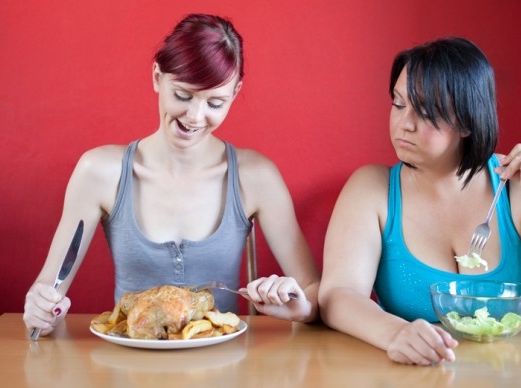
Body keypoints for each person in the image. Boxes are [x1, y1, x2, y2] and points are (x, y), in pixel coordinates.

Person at [24, 13, 320, 337]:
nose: (194, 116)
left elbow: (313, 292)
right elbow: (47, 289)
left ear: (236, 93)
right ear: (156, 77)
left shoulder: (256, 177)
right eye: (183, 95)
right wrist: (41, 309)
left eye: (216, 103)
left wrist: (300, 306)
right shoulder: (98, 173)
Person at [318, 37, 521, 365]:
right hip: (415, 375)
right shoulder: (373, 188)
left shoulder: (519, 186)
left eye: (425, 111)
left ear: (467, 121)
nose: (404, 123)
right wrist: (394, 333)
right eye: (398, 104)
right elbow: (338, 295)